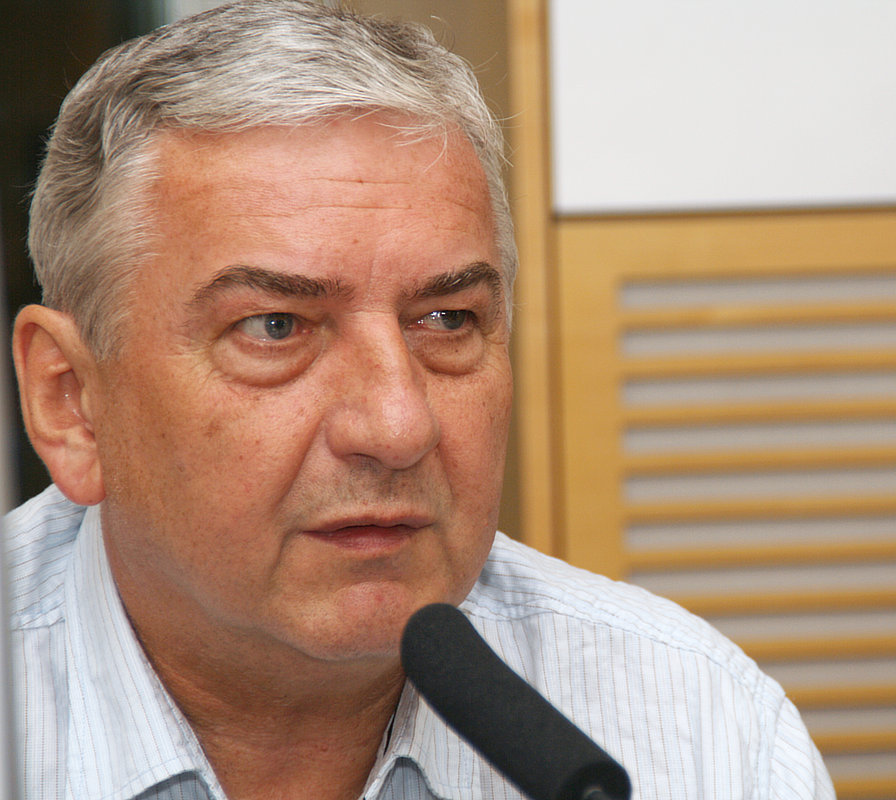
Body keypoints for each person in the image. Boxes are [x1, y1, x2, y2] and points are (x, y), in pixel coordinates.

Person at [6, 2, 835, 799]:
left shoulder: (700, 728)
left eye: (447, 320)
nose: (400, 426)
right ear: (70, 402)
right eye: (275, 327)